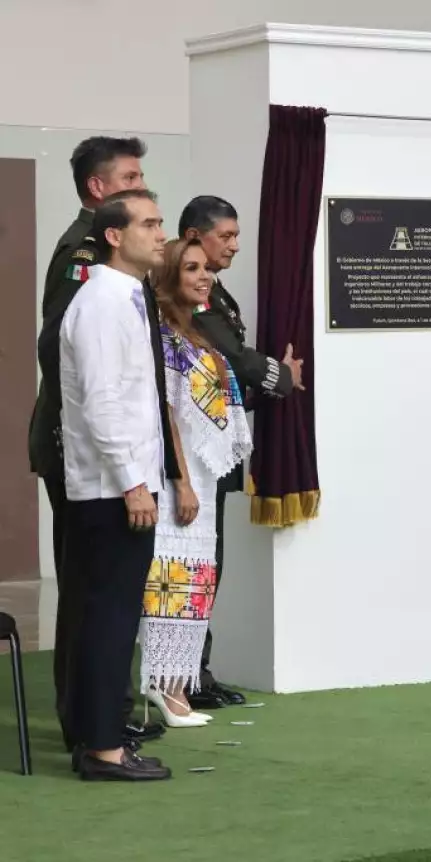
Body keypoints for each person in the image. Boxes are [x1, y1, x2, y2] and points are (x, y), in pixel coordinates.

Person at [29, 136, 173, 752]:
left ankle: (104, 714)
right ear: (100, 190)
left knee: (110, 596)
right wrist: (117, 467)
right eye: (132, 179)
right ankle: (88, 721)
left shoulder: (123, 277)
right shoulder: (85, 259)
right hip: (84, 450)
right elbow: (77, 367)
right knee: (94, 596)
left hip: (112, 454)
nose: (143, 190)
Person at [59, 188, 172, 780]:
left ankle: (96, 736)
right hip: (110, 487)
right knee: (110, 616)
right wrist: (133, 483)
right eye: (149, 223)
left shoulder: (124, 296)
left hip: (118, 481)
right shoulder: (103, 301)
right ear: (113, 235)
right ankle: (103, 748)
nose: (161, 233)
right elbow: (102, 404)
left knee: (110, 613)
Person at [179, 195, 304, 708]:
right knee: (187, 564)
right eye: (225, 236)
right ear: (193, 235)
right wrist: (281, 378)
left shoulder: (215, 291)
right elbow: (229, 355)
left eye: (235, 236)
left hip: (215, 445)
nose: (233, 245)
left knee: (210, 563)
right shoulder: (187, 291)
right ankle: (178, 676)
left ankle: (196, 671)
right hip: (188, 452)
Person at [139, 238, 253, 726]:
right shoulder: (162, 337)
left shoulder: (197, 331)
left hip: (202, 483)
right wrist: (181, 479)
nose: (204, 276)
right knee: (171, 581)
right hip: (177, 481)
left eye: (205, 268)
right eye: (191, 268)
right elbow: (165, 412)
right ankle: (163, 687)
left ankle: (179, 682)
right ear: (168, 276)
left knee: (197, 584)